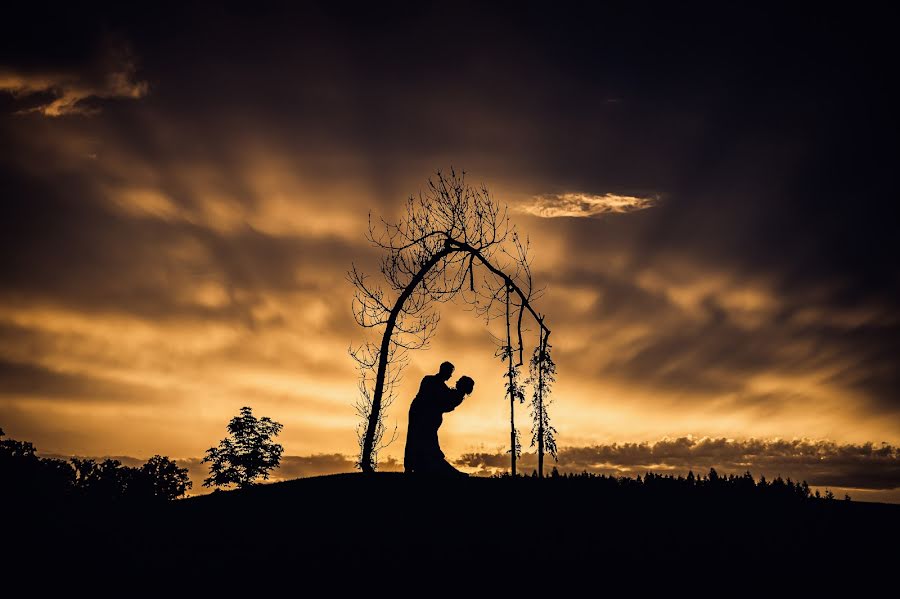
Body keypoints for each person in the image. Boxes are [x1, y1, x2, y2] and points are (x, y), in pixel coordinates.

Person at [404, 361, 475, 477]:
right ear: (444, 371)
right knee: (417, 440)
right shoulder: (433, 383)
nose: (452, 377)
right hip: (421, 416)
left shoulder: (446, 390)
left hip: (427, 418)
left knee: (422, 442)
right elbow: (433, 401)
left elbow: (443, 405)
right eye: (450, 373)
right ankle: (415, 467)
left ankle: (418, 468)